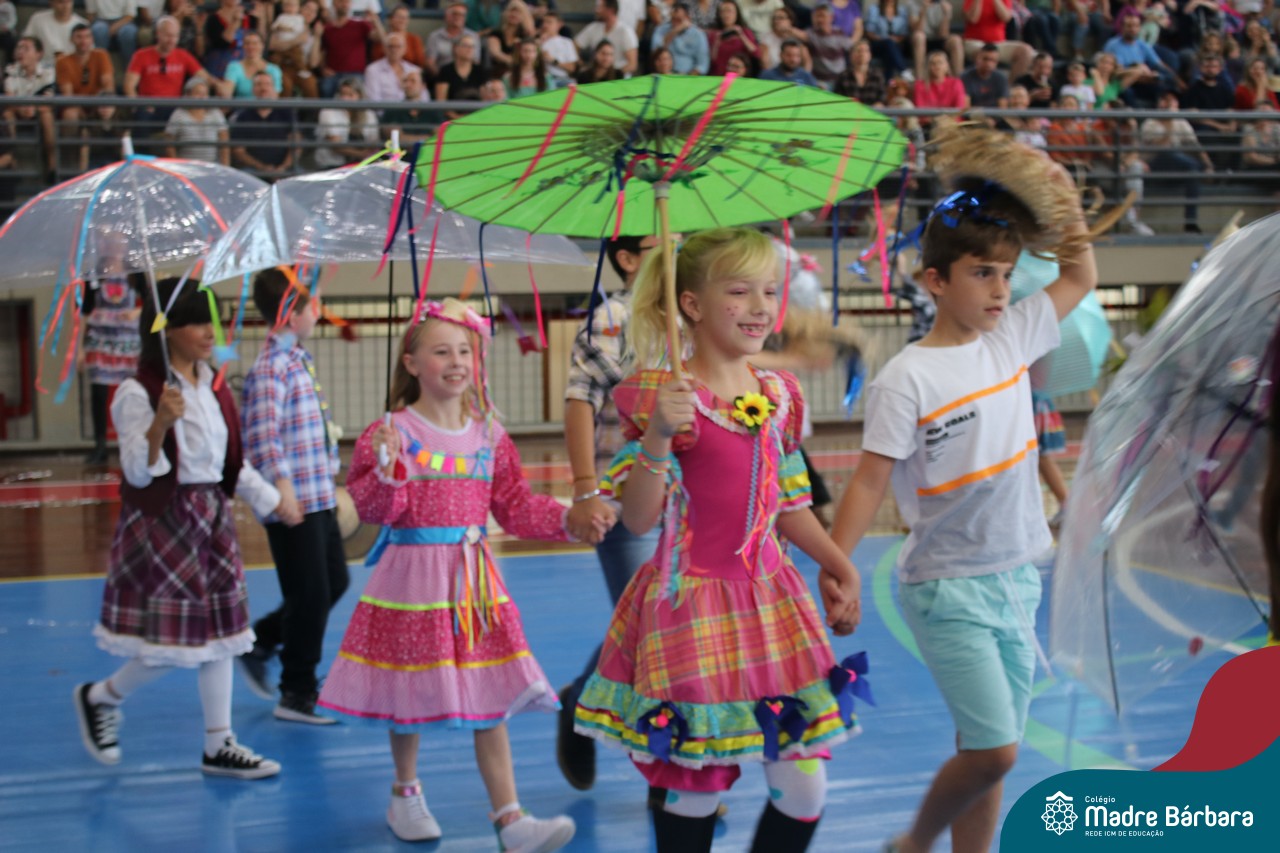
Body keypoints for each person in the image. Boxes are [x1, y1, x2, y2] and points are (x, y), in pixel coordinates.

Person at [832, 120, 1098, 853]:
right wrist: (838, 566)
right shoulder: (907, 378)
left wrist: (1064, 197)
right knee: (997, 751)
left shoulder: (1013, 336)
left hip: (1018, 577)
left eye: (1007, 274)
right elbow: (868, 482)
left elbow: (1079, 276)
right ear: (936, 281)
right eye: (982, 273)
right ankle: (914, 843)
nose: (1000, 288)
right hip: (947, 588)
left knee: (987, 746)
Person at [573, 227, 863, 853]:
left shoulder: (778, 395)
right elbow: (640, 519)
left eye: (769, 291)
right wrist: (657, 436)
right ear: (692, 304)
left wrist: (839, 564)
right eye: (739, 291)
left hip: (772, 603)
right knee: (696, 786)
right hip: (692, 606)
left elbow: (788, 504)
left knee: (804, 789)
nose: (760, 307)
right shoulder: (664, 397)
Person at [316, 298, 596, 848]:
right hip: (412, 583)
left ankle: (510, 818)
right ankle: (405, 792)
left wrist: (569, 519)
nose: (456, 362)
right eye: (441, 352)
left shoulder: (490, 434)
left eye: (465, 351)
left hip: (475, 585)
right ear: (412, 362)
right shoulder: (391, 430)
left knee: (488, 688)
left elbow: (513, 506)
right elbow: (374, 510)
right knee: (408, 688)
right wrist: (389, 470)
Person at [72, 276, 285, 780]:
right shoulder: (138, 392)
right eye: (197, 322)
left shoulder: (213, 386)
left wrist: (273, 501)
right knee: (173, 642)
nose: (210, 332)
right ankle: (102, 696)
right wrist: (159, 426)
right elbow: (137, 473)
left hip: (212, 518)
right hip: (166, 523)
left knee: (222, 636)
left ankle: (218, 743)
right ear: (167, 329)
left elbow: (227, 462)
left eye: (212, 321)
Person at [557, 235, 667, 793]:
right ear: (627, 259)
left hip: (689, 503)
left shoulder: (693, 315)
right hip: (627, 503)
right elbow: (581, 400)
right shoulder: (613, 319)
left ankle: (581, 697)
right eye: (662, 242)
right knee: (649, 631)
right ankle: (666, 776)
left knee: (669, 628)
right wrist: (585, 491)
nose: (677, 247)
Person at [237, 269, 349, 724]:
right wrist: (282, 488)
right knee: (309, 595)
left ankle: (261, 640)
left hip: (317, 495)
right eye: (310, 306)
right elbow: (262, 437)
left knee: (333, 583)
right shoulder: (271, 368)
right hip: (294, 501)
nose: (317, 312)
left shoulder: (297, 358)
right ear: (290, 315)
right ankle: (296, 691)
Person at [80, 231, 144, 466]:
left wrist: (136, 312)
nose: (115, 246)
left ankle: (132, 440)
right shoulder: (94, 275)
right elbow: (85, 311)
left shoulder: (135, 272)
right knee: (99, 393)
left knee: (132, 391)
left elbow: (149, 302)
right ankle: (100, 445)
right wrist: (79, 348)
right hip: (101, 340)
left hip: (128, 342)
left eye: (119, 241)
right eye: (110, 241)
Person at [230, 71, 297, 177]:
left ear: (273, 88)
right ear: (253, 89)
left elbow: (296, 144)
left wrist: (283, 167)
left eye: (267, 84)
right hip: (253, 170)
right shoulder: (243, 116)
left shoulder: (286, 113)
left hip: (284, 169)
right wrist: (262, 168)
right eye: (259, 84)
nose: (263, 88)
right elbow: (239, 151)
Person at [1030, 358, 1069, 527]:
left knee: (1041, 458)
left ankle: (1066, 504)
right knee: (1041, 459)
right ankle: (1065, 504)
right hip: (1035, 401)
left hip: (1032, 403)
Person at [314, 76, 380, 167]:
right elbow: (336, 146)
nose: (345, 99)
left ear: (359, 96)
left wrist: (368, 154)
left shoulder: (368, 113)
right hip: (333, 165)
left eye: (350, 95)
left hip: (363, 164)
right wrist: (361, 154)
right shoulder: (328, 111)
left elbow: (374, 141)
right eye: (342, 94)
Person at [56, 23, 114, 125]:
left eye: (87, 37)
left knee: (108, 108)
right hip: (76, 105)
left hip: (98, 104)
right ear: (71, 39)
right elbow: (68, 95)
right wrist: (85, 117)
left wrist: (99, 107)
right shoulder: (63, 61)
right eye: (79, 37)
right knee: (70, 114)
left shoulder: (101, 55)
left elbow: (108, 86)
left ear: (92, 39)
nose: (84, 41)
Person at [164, 76, 230, 164]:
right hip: (187, 167)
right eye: (198, 93)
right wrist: (177, 166)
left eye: (205, 94)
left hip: (211, 166)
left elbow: (224, 143)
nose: (202, 97)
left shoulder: (215, 113)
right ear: (188, 95)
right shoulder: (179, 114)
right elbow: (169, 144)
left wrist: (225, 167)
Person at [575, 0, 640, 75]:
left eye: (600, 7)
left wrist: (613, 75)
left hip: (618, 78)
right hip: (595, 77)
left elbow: (632, 65)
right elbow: (574, 47)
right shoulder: (593, 28)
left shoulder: (626, 32)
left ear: (610, 10)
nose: (596, 10)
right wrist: (581, 66)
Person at [219, 30, 283, 97]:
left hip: (264, 103)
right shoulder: (234, 67)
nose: (251, 47)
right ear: (243, 46)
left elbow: (275, 97)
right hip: (241, 103)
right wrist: (219, 86)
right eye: (247, 43)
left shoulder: (274, 69)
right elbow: (227, 91)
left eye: (255, 43)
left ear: (262, 46)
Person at [707, 0, 761, 76]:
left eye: (729, 11)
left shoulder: (745, 32)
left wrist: (742, 36)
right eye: (723, 11)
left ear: (737, 13)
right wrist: (717, 42)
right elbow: (711, 61)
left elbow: (756, 53)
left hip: (740, 76)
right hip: (720, 75)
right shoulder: (714, 34)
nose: (726, 15)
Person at [23, 0, 88, 60]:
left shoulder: (83, 24)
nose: (66, 6)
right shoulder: (37, 19)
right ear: (51, 3)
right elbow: (26, 43)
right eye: (61, 2)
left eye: (68, 2)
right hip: (43, 65)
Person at [960, 41, 1011, 109]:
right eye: (985, 59)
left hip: (995, 115)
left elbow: (1002, 108)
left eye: (992, 60)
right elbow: (965, 107)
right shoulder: (965, 77)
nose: (988, 63)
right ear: (977, 59)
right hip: (973, 115)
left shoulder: (1001, 78)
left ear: (997, 63)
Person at [86, 0, 138, 64]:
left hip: (124, 20)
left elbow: (130, 15)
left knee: (128, 33)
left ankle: (130, 66)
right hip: (100, 20)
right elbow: (91, 14)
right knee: (98, 30)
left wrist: (113, 28)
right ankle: (99, 65)